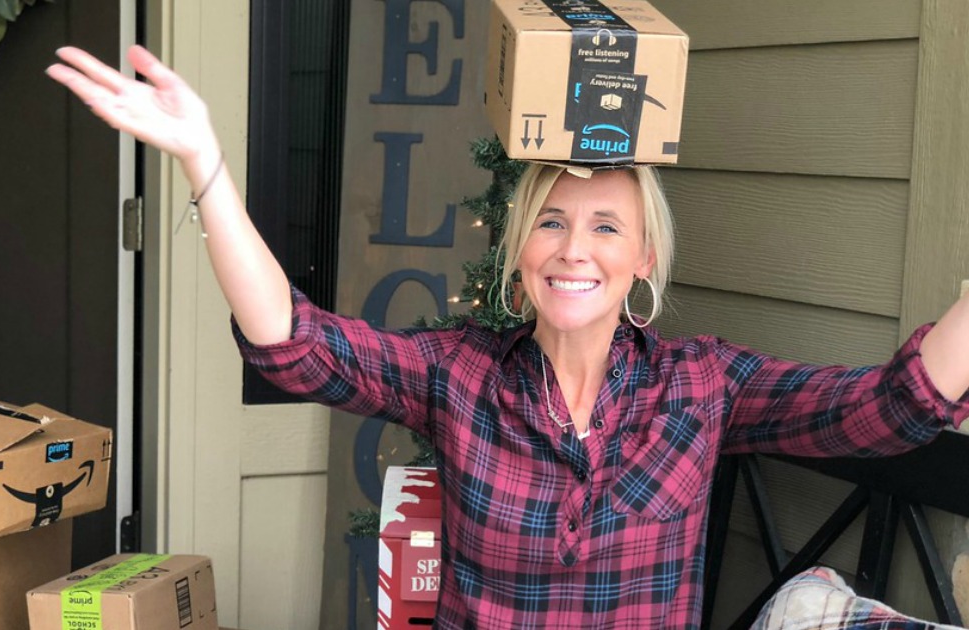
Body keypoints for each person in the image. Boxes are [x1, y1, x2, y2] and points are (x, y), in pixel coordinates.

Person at [47, 45, 969, 629]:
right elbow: (295, 343)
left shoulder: (704, 385)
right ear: (519, 251)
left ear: (643, 257)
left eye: (605, 227)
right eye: (551, 223)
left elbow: (892, 408)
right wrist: (205, 165)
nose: (574, 250)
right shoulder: (458, 374)